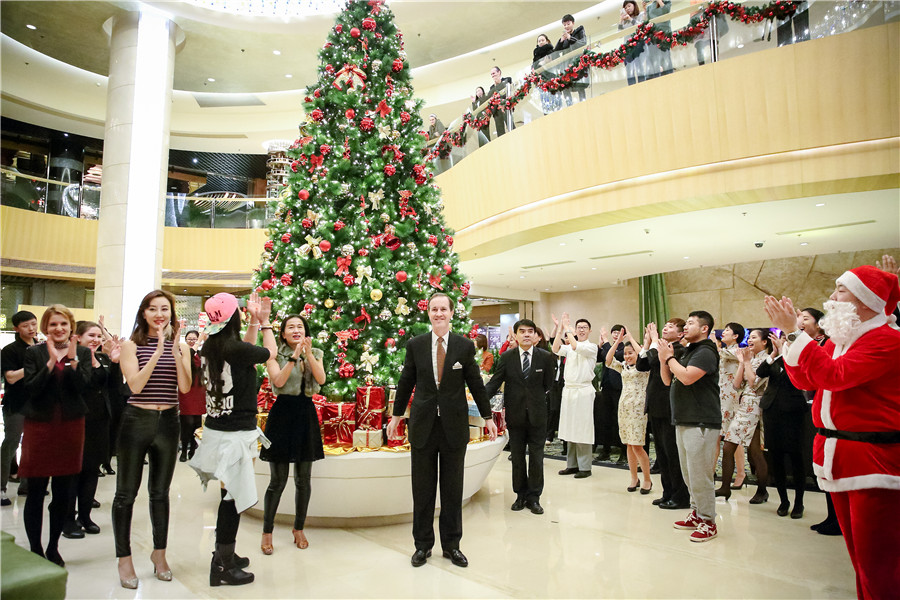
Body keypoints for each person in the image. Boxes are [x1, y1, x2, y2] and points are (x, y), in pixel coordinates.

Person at [764, 264, 900, 599]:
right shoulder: (844, 340)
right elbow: (805, 379)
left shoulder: (886, 339)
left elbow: (834, 376)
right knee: (860, 562)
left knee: (879, 565)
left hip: (873, 463)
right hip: (842, 458)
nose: (831, 297)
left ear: (865, 300)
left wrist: (795, 335)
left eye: (841, 290)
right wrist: (795, 341)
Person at [388, 293, 498, 569]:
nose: (438, 313)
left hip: (453, 427)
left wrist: (487, 416)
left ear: (451, 313)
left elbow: (474, 382)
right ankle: (422, 546)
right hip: (423, 426)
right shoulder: (416, 344)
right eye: (433, 309)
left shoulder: (463, 346)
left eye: (443, 309)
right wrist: (396, 415)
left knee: (452, 489)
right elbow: (405, 382)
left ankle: (452, 545)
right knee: (422, 489)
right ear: (428, 313)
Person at [190, 292, 276, 586]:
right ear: (233, 317)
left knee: (230, 494)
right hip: (236, 434)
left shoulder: (211, 345)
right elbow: (269, 354)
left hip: (218, 430)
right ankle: (223, 564)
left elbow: (244, 349)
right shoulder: (234, 348)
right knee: (232, 498)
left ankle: (225, 554)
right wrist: (264, 323)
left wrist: (252, 319)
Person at [114, 290, 192, 589]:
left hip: (168, 423)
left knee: (160, 493)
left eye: (165, 309)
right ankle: (124, 559)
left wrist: (175, 353)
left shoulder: (180, 346)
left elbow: (184, 388)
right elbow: (134, 385)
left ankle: (159, 555)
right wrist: (158, 352)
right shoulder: (130, 345)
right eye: (153, 309)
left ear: (171, 314)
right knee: (125, 495)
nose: (160, 314)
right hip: (137, 421)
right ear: (143, 313)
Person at [21, 304, 91, 565]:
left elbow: (82, 387)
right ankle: (35, 549)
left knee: (63, 491)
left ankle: (53, 547)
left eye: (63, 324)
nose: (59, 328)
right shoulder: (34, 353)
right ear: (45, 328)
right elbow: (33, 388)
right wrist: (51, 361)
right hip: (39, 427)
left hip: (71, 427)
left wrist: (72, 360)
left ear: (71, 327)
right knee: (37, 490)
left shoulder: (81, 352)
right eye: (53, 324)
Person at [259, 314, 326, 555]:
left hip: (305, 415)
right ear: (283, 334)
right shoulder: (274, 354)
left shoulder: (315, 352)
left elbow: (321, 380)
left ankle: (299, 528)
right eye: (291, 327)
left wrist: (307, 354)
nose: (296, 330)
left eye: (300, 326)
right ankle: (267, 531)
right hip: (282, 415)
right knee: (277, 481)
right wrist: (294, 357)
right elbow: (278, 381)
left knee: (303, 480)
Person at [658, 310, 721, 542]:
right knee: (688, 473)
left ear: (704, 328)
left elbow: (686, 377)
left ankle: (708, 521)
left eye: (691, 323)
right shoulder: (687, 351)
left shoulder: (705, 352)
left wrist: (669, 358)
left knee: (700, 474)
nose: (686, 326)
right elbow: (667, 380)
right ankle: (696, 513)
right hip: (684, 419)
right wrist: (664, 357)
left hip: (701, 420)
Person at [484, 319, 556, 514]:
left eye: (530, 331)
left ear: (535, 335)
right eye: (522, 331)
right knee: (517, 458)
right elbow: (495, 382)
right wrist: (479, 399)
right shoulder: (507, 358)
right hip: (515, 417)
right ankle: (520, 495)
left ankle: (534, 497)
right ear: (515, 335)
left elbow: (548, 385)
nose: (526, 334)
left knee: (536, 457)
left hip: (538, 416)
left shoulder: (546, 357)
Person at [63, 321, 117, 539]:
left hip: (100, 420)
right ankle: (68, 519)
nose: (96, 340)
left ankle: (85, 516)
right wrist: (87, 357)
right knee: (74, 471)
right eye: (91, 336)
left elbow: (112, 387)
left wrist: (114, 362)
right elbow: (81, 384)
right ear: (78, 337)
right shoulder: (73, 358)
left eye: (98, 336)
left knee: (92, 469)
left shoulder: (102, 358)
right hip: (77, 420)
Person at [637, 319, 690, 509]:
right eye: (665, 326)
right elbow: (641, 365)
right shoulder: (660, 347)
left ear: (680, 334)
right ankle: (667, 492)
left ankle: (680, 496)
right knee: (661, 454)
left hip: (669, 407)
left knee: (672, 453)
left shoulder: (678, 350)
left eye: (670, 327)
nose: (665, 328)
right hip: (656, 406)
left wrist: (653, 341)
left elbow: (653, 360)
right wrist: (647, 343)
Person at [716, 329, 771, 502]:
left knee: (748, 450)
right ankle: (726, 487)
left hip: (755, 406)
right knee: (735, 448)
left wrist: (746, 362)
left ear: (765, 342)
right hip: (743, 405)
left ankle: (761, 490)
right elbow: (736, 384)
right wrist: (742, 362)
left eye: (754, 337)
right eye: (750, 337)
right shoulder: (750, 358)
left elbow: (754, 384)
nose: (750, 340)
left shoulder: (766, 360)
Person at [757, 331, 807, 518]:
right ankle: (784, 501)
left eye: (788, 337)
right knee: (776, 457)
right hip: (772, 411)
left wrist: (788, 352)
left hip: (793, 411)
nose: (784, 340)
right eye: (783, 337)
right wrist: (774, 353)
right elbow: (760, 372)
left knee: (796, 457)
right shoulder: (776, 358)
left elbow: (799, 377)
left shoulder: (797, 358)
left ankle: (799, 502)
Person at [605, 329, 651, 493]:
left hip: (638, 409)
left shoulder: (644, 367)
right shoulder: (624, 366)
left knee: (637, 445)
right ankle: (633, 478)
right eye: (625, 353)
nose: (627, 356)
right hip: (624, 407)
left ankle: (647, 479)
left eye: (630, 353)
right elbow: (608, 360)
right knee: (629, 444)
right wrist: (617, 343)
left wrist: (632, 339)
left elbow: (644, 355)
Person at [552, 314, 598, 478]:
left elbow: (576, 346)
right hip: (569, 391)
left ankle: (585, 467)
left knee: (582, 428)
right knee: (569, 427)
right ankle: (572, 464)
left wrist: (568, 329)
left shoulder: (591, 347)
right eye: (579, 327)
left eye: (584, 327)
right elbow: (555, 349)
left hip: (583, 391)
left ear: (590, 330)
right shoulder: (570, 346)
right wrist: (559, 329)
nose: (581, 330)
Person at [1, 310, 37, 506]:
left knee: (32, 445)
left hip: (38, 404)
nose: (31, 328)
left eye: (33, 324)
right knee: (11, 443)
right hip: (16, 404)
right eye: (25, 325)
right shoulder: (10, 350)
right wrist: (35, 366)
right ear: (16, 328)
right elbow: (11, 377)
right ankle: (1, 487)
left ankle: (26, 484)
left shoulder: (41, 347)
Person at [712, 323, 747, 489]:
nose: (723, 332)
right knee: (716, 437)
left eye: (727, 330)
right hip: (719, 396)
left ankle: (741, 473)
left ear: (736, 336)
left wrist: (711, 336)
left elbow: (719, 351)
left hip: (731, 398)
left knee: (731, 437)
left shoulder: (737, 351)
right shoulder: (726, 351)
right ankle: (711, 472)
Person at [597, 325, 625, 463]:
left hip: (620, 389)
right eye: (613, 332)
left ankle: (624, 453)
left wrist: (607, 341)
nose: (615, 335)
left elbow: (614, 357)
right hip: (606, 388)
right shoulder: (607, 347)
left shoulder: (625, 348)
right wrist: (600, 344)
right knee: (605, 420)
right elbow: (598, 357)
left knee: (619, 421)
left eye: (618, 333)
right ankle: (605, 451)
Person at [178, 330, 205, 462]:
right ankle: (183, 450)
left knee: (197, 422)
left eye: (195, 339)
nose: (192, 341)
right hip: (186, 389)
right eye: (189, 339)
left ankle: (193, 450)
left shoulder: (201, 354)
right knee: (186, 421)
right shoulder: (183, 352)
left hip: (199, 390)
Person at [554, 14, 588, 104]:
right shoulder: (564, 38)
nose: (566, 26)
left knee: (580, 87)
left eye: (568, 24)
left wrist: (570, 38)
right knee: (566, 87)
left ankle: (583, 105)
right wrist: (561, 41)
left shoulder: (579, 30)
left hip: (578, 65)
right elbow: (555, 52)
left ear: (573, 23)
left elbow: (583, 43)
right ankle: (570, 106)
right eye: (564, 25)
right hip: (566, 66)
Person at [619, 1, 646, 86]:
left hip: (639, 45)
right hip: (627, 47)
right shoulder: (624, 22)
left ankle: (642, 87)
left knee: (640, 69)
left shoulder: (640, 15)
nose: (627, 9)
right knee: (629, 72)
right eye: (625, 8)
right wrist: (621, 20)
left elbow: (640, 27)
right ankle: (632, 89)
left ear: (634, 6)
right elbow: (619, 34)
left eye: (629, 6)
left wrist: (630, 19)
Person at [487, 66, 515, 137]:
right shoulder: (492, 88)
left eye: (494, 73)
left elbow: (510, 91)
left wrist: (499, 83)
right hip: (497, 111)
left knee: (511, 126)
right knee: (500, 132)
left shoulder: (507, 79)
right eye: (491, 74)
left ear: (499, 72)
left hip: (506, 107)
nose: (492, 75)